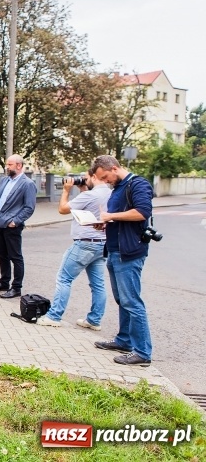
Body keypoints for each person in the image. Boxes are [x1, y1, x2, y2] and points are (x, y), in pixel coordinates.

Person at [91, 155, 154, 367]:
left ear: (115, 168)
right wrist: (105, 223)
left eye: (106, 176)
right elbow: (118, 216)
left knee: (132, 302)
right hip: (115, 250)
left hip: (129, 252)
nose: (106, 181)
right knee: (122, 300)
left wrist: (111, 217)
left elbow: (142, 212)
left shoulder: (138, 184)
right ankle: (124, 341)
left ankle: (143, 352)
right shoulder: (117, 188)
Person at [37, 169, 110, 329]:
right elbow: (90, 206)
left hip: (84, 243)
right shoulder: (109, 193)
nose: (82, 180)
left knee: (64, 278)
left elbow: (63, 209)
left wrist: (66, 190)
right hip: (102, 244)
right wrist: (83, 188)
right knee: (98, 285)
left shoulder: (89, 195)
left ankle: (54, 316)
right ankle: (94, 320)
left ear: (94, 177)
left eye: (85, 178)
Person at [0, 155, 37, 299]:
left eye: (10, 164)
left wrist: (15, 221)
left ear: (19, 165)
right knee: (1, 253)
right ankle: (4, 282)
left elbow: (29, 208)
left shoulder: (27, 184)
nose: (7, 167)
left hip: (12, 226)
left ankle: (16, 287)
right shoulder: (5, 180)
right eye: (7, 164)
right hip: (0, 223)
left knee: (15, 256)